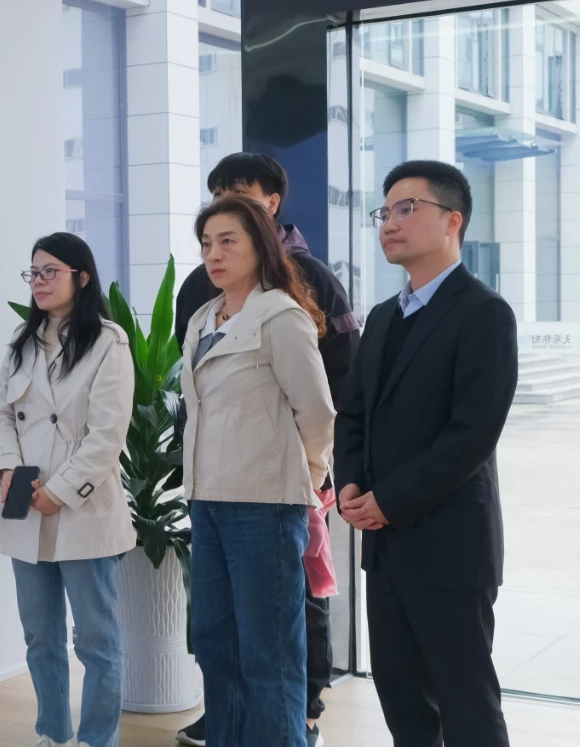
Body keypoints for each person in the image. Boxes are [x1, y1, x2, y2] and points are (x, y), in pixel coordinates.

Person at [176, 153, 358, 747]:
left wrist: (302, 480)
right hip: (207, 499)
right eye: (207, 243)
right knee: (216, 642)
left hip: (266, 504)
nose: (214, 254)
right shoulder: (203, 318)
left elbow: (319, 413)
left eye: (228, 241)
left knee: (269, 650)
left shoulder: (281, 315)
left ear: (260, 243)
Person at [336, 160, 517, 747]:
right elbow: (354, 414)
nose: (389, 223)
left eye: (406, 209)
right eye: (384, 211)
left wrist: (388, 500)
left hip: (450, 548)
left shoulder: (484, 313)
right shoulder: (383, 317)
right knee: (403, 703)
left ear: (452, 221)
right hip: (385, 548)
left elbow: (472, 435)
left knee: (467, 706)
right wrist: (350, 483)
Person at [0, 232, 138, 747]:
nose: (39, 281)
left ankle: (97, 740)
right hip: (23, 498)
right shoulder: (22, 339)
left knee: (96, 640)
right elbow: (1, 414)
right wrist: (7, 468)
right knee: (40, 638)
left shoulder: (108, 341)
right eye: (33, 273)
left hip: (82, 507)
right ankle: (52, 734)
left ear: (82, 277)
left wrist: (62, 491)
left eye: (50, 271)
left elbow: (107, 434)